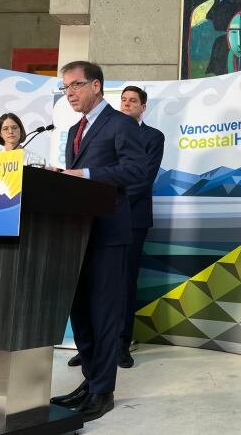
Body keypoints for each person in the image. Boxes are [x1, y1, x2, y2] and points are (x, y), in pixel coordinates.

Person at [49, 61, 146, 422]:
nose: (70, 92)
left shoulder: (121, 124)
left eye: (75, 85)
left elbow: (136, 172)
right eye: (65, 88)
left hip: (108, 234)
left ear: (97, 86)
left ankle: (103, 390)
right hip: (78, 235)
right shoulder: (77, 129)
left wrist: (83, 173)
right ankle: (90, 381)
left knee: (104, 315)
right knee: (81, 313)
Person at [67, 85, 165, 369]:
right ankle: (93, 347)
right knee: (93, 285)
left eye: (133, 101)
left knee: (123, 283)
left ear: (143, 107)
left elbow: (141, 179)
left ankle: (121, 345)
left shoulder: (153, 137)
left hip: (131, 218)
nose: (127, 104)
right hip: (96, 217)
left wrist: (110, 201)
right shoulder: (98, 130)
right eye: (123, 100)